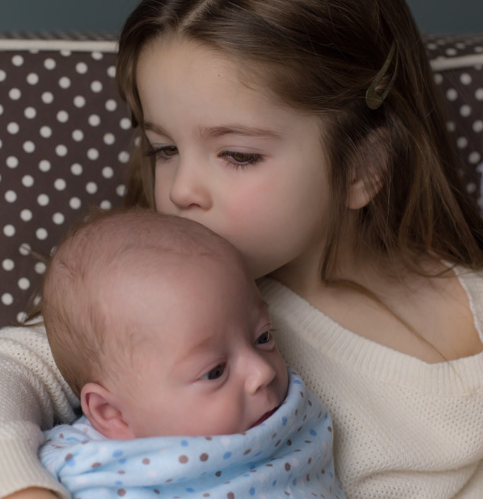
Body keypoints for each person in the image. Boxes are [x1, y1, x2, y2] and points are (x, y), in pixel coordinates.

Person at [0, 0, 483, 498]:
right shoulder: (177, 309)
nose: (182, 189)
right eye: (163, 150)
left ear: (364, 166)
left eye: (237, 155)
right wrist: (12, 487)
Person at [36, 209, 343, 498]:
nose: (263, 371)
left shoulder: (295, 420)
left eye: (263, 337)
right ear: (112, 414)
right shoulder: (97, 474)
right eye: (215, 372)